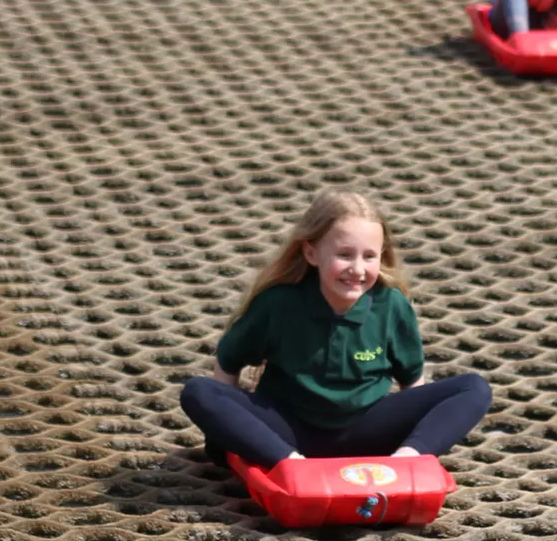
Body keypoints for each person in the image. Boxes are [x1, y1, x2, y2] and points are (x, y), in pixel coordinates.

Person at [180, 190, 492, 471]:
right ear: (311, 253)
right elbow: (228, 362)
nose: (357, 269)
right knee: (198, 391)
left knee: (474, 388)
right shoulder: (278, 303)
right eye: (344, 255)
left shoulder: (390, 304)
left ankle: (404, 465)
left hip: (367, 431)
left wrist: (414, 443)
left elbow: (413, 384)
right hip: (287, 433)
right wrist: (228, 434)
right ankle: (293, 467)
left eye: (369, 256)